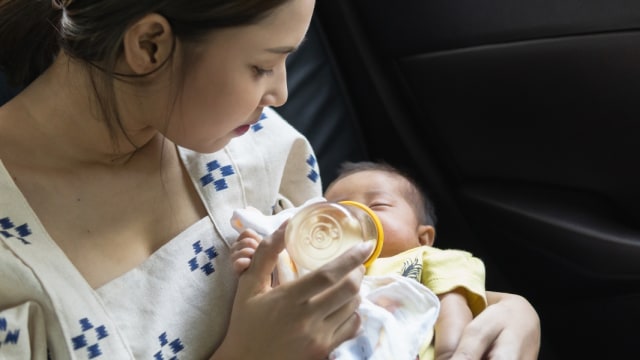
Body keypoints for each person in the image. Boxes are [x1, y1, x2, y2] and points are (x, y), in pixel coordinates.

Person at [0, 0, 540, 359]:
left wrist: (506, 312)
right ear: (150, 46)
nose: (281, 93)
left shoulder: (254, 145)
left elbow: (373, 292)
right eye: (262, 66)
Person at [231, 161, 487, 360]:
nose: (353, 215)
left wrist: (450, 353)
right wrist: (262, 259)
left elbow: (452, 306)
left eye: (377, 205)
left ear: (423, 237)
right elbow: (282, 300)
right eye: (338, 209)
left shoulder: (426, 257)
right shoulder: (318, 267)